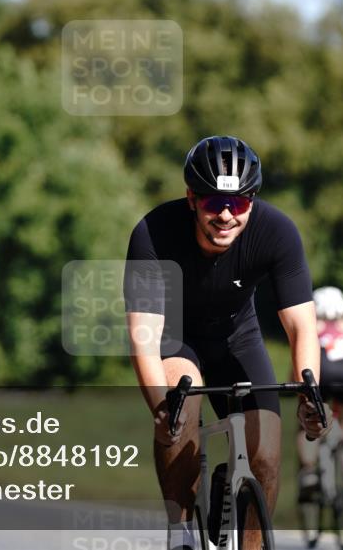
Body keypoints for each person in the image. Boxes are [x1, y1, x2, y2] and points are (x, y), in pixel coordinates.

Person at [124, 135, 329, 550]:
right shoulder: (154, 232)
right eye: (213, 202)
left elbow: (301, 327)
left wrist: (310, 396)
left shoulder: (277, 232)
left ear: (251, 201)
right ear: (191, 198)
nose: (225, 215)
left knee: (266, 454)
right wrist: (160, 407)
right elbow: (143, 336)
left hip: (237, 337)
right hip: (176, 337)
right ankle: (182, 532)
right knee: (181, 413)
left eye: (237, 203)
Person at [296, 286, 343, 503]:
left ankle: (309, 471)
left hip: (325, 367)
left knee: (307, 420)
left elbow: (301, 364)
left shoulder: (313, 326)